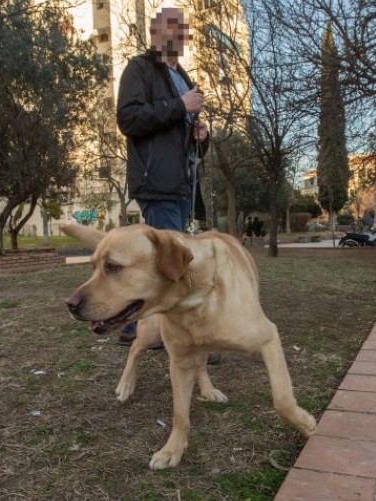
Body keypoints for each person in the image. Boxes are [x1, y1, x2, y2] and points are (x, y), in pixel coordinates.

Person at [115, 7, 215, 361]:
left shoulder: (182, 78)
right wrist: (179, 106)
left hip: (184, 184)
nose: (178, 33)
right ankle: (184, 338)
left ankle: (134, 326)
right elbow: (128, 119)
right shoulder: (140, 69)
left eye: (182, 28)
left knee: (162, 262)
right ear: (156, 33)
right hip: (156, 181)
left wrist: (201, 135)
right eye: (170, 26)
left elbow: (183, 135)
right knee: (176, 262)